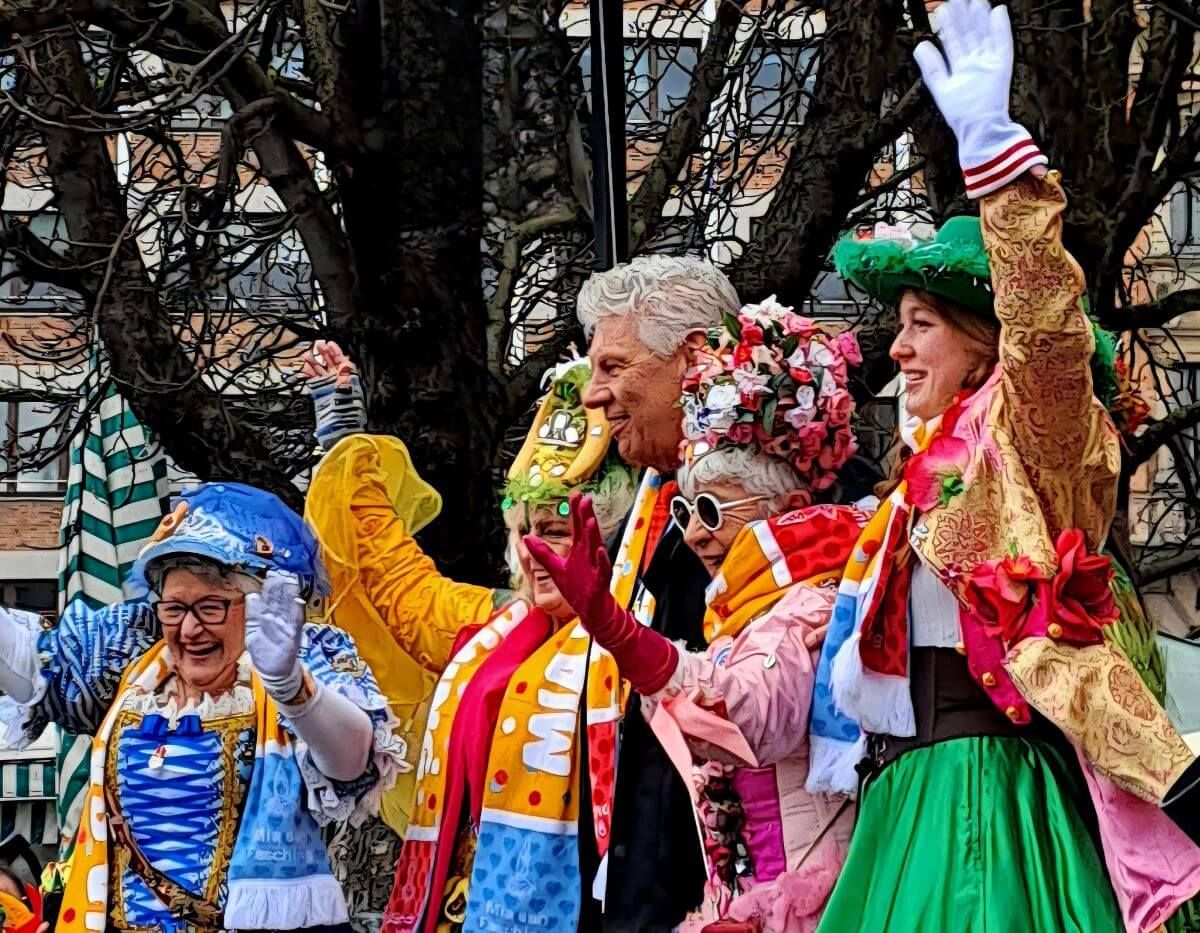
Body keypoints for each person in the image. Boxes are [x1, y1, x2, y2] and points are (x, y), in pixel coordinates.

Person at [806, 2, 1200, 930]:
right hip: (909, 796)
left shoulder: (1031, 433)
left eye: (921, 325)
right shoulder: (917, 479)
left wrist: (999, 160)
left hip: (993, 798)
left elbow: (1052, 340)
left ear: (985, 344)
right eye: (897, 324)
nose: (895, 349)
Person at [528, 298, 867, 931]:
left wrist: (622, 635)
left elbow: (743, 715)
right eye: (684, 514)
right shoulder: (744, 616)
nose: (695, 536)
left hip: (812, 904)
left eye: (712, 511)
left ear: (789, 507)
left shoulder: (813, 604)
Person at [301, 347, 639, 932]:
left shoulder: (648, 636)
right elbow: (394, 578)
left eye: (555, 532)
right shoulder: (495, 625)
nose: (534, 551)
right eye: (524, 531)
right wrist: (341, 441)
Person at [0, 483, 405, 932]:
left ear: (261, 604)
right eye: (174, 608)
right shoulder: (135, 661)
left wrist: (290, 686)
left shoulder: (301, 658)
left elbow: (352, 762)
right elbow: (28, 664)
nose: (189, 628)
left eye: (211, 606)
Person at [575, 255, 744, 929]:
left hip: (730, 886)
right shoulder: (646, 510)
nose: (592, 394)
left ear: (694, 358)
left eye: (614, 367)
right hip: (632, 885)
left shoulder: (784, 500)